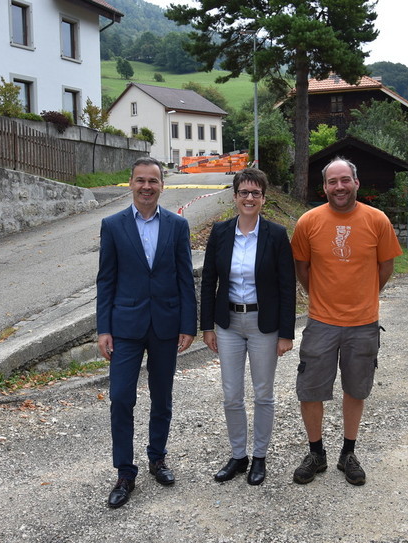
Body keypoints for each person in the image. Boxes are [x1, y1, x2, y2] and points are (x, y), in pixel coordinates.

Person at [289, 157, 402, 486]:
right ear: (323, 187)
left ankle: (348, 453)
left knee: (356, 389)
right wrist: (322, 300)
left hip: (363, 324)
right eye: (332, 182)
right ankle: (316, 453)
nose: (339, 187)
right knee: (310, 391)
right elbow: (302, 269)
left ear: (356, 183)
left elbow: (385, 268)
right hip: (321, 322)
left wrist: (365, 297)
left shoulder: (377, 220)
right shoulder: (308, 222)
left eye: (344, 180)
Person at [96, 157, 197, 508]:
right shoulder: (112, 225)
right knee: (121, 397)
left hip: (167, 325)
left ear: (162, 186)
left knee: (162, 396)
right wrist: (103, 328)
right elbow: (106, 280)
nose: (146, 187)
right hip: (125, 326)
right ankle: (125, 472)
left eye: (153, 181)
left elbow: (186, 277)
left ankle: (157, 458)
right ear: (130, 183)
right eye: (140, 180)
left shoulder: (176, 225)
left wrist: (189, 324)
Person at [200, 168, 296, 486]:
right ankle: (238, 456)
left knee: (263, 394)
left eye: (255, 193)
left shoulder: (276, 235)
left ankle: (259, 457)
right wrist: (207, 327)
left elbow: (287, 287)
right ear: (235, 196)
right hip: (228, 323)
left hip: (262, 325)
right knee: (231, 395)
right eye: (244, 192)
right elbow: (209, 281)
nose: (249, 198)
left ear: (263, 199)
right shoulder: (221, 232)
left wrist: (286, 333)